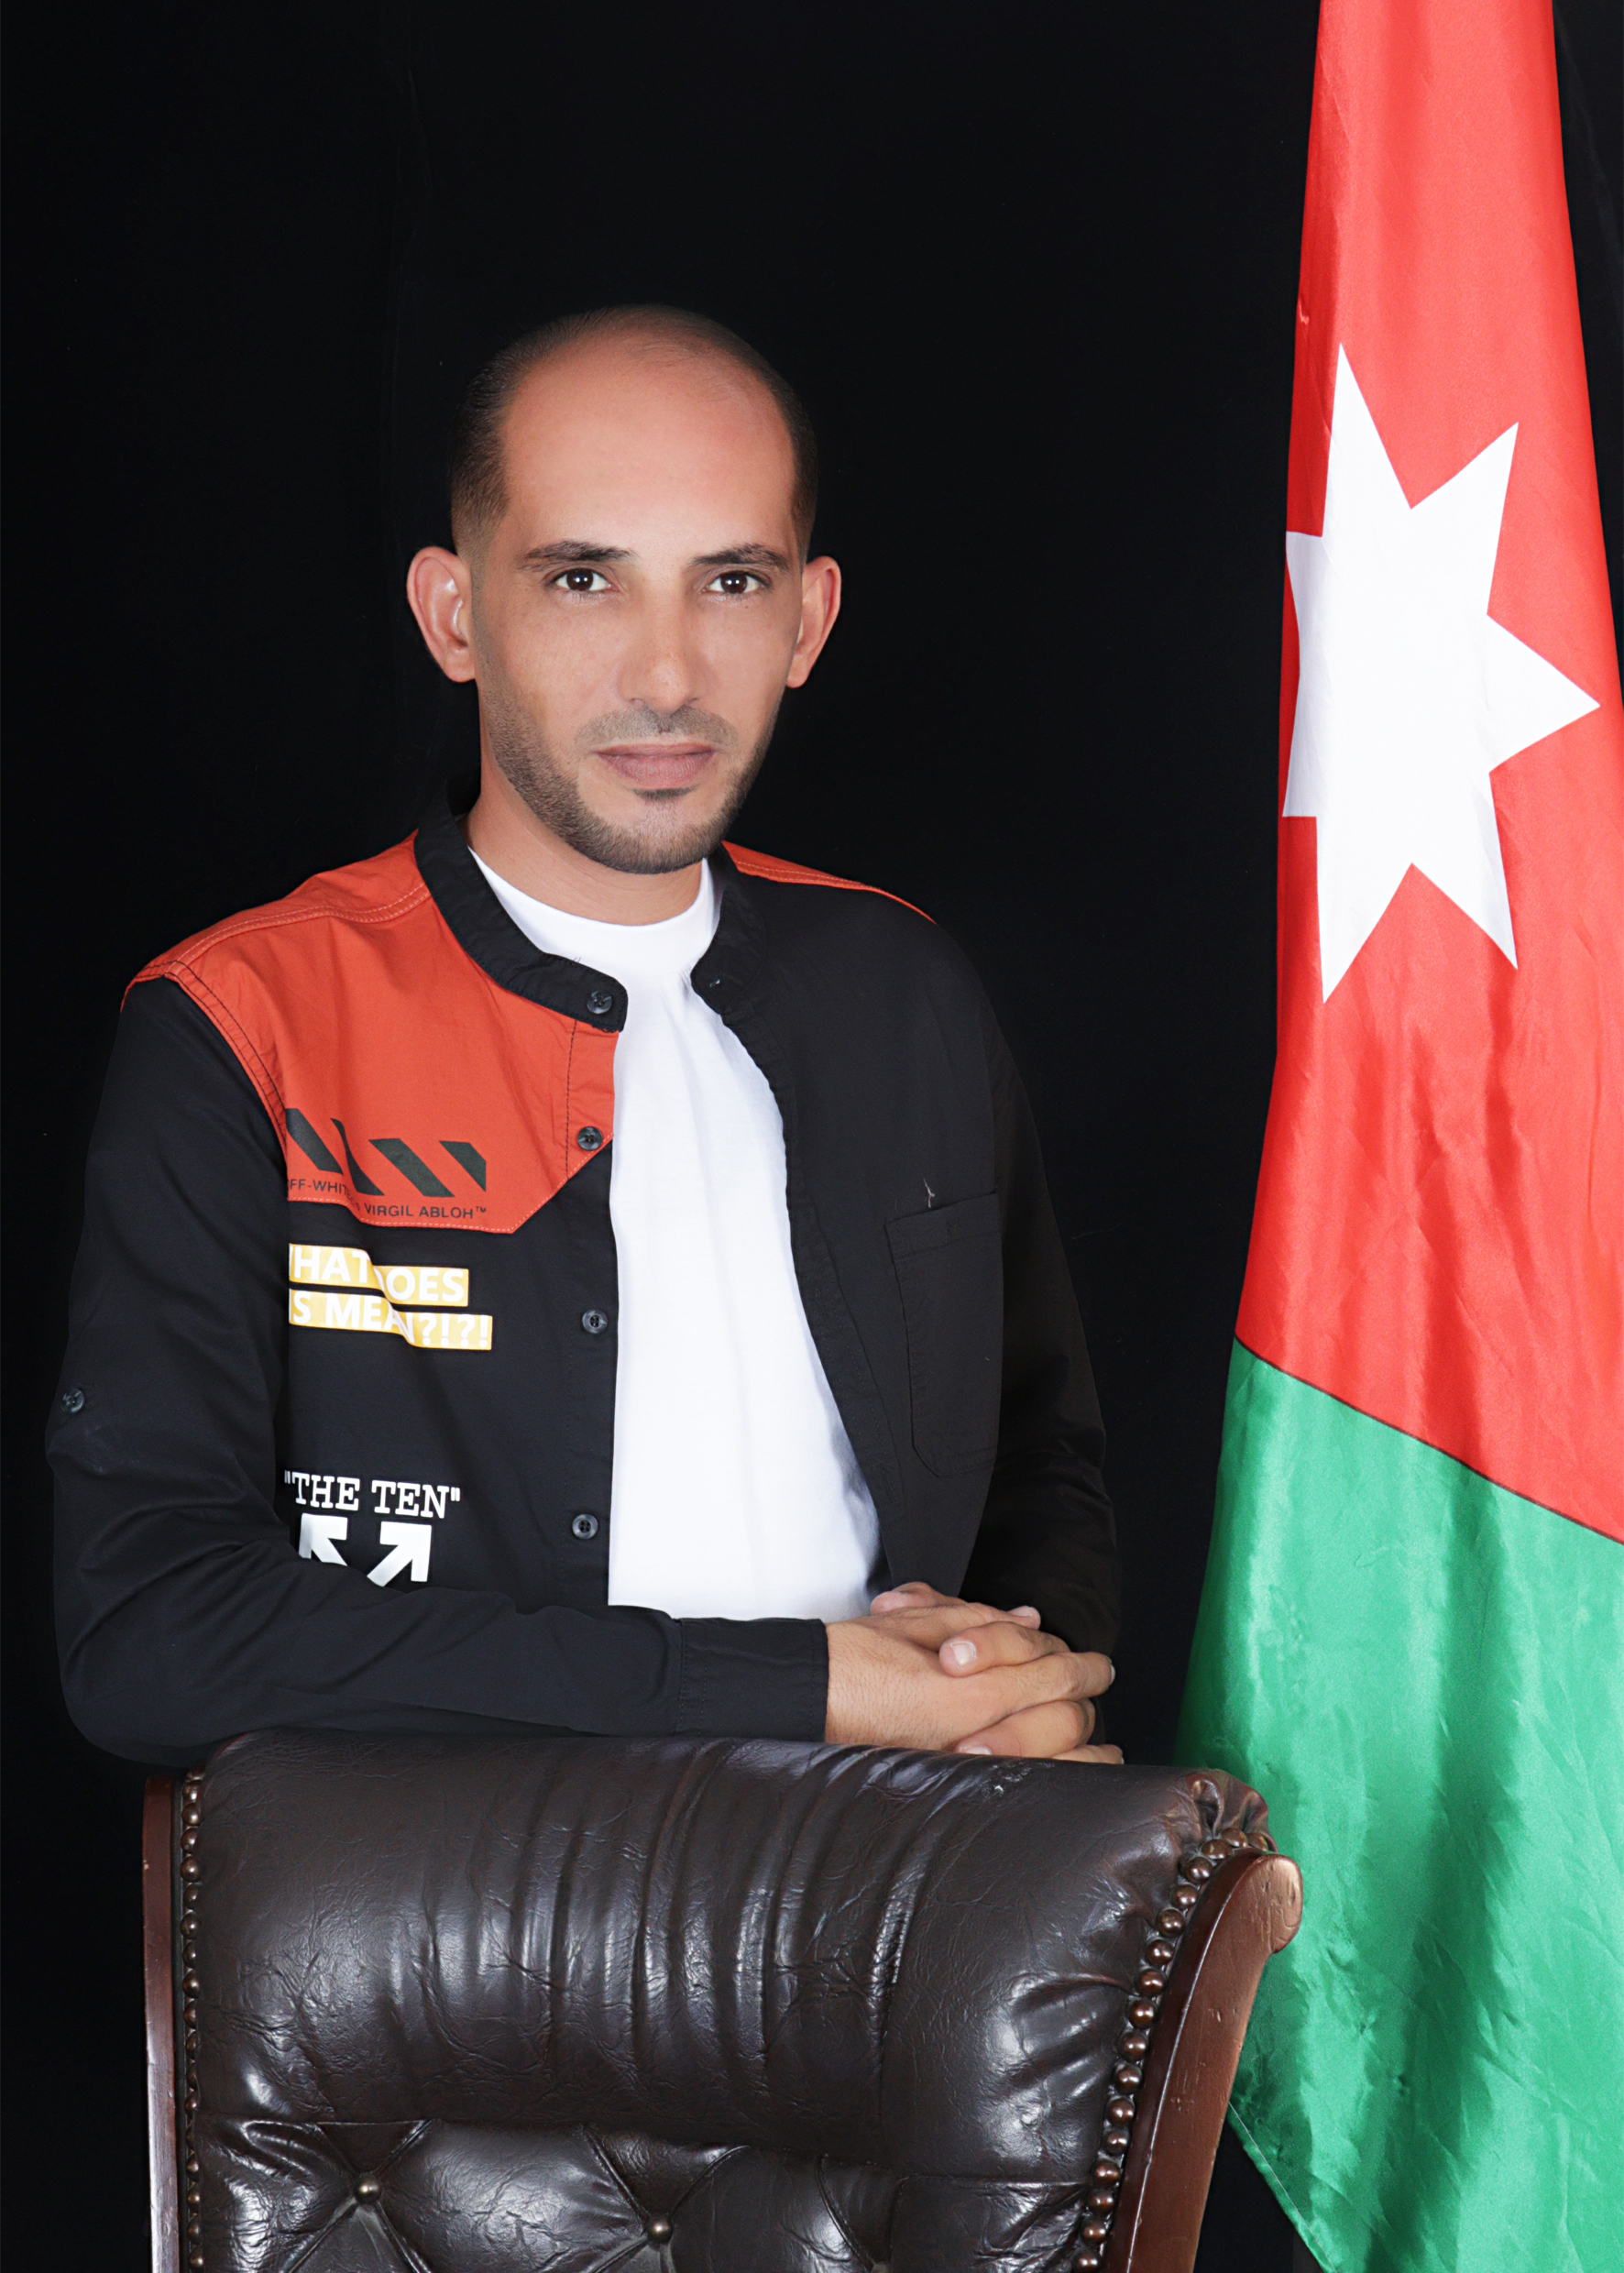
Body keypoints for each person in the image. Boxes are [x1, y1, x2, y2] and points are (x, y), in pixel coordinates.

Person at [50, 306, 1121, 1770]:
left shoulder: (905, 984)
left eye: (729, 581)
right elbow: (150, 1633)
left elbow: (1044, 1454)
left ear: (807, 622)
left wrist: (1014, 1685)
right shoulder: (246, 1019)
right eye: (582, 579)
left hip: (896, 1872)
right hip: (460, 1895)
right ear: (454, 616)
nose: (667, 675)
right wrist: (792, 1684)